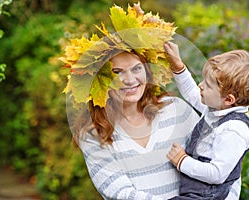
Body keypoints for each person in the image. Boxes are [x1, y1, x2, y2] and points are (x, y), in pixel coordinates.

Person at [60, 3, 200, 200]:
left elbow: (215, 153)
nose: (130, 80)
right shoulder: (93, 134)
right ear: (101, 80)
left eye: (136, 69)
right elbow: (121, 193)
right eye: (117, 73)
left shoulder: (176, 110)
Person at [164, 42, 249, 200]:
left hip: (211, 195)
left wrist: (182, 161)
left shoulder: (234, 130)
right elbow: (192, 94)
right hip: (197, 188)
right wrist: (178, 67)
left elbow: (217, 174)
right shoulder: (217, 108)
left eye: (208, 85)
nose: (200, 85)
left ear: (229, 99)